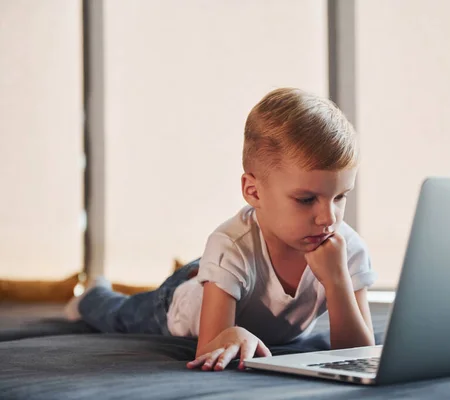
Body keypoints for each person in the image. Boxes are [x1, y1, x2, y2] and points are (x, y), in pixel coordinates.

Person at [65, 87, 377, 371]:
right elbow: (209, 345)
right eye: (307, 199)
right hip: (185, 303)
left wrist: (337, 281)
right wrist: (233, 333)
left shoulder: (346, 248)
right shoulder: (230, 244)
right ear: (253, 192)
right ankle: (92, 294)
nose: (328, 218)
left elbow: (358, 355)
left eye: (339, 197)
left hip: (222, 274)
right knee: (121, 314)